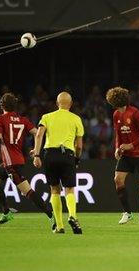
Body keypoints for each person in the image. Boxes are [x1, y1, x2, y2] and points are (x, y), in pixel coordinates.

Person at [0, 93, 53, 225]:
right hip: (12, 161)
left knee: (27, 192)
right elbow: (37, 133)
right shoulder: (23, 119)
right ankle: (6, 212)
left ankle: (51, 215)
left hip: (11, 163)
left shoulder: (1, 118)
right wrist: (36, 150)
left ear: (2, 105)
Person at [31, 92, 84, 234]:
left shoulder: (47, 117)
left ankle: (59, 226)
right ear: (71, 104)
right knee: (69, 189)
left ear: (57, 103)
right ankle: (72, 216)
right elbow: (79, 145)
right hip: (67, 154)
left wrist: (36, 154)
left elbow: (39, 134)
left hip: (50, 155)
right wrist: (77, 159)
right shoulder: (76, 119)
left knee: (54, 189)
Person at [105, 86, 139, 225]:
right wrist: (116, 148)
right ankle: (127, 213)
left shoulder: (135, 113)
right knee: (118, 179)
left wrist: (131, 145)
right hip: (126, 154)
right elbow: (118, 134)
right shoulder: (116, 115)